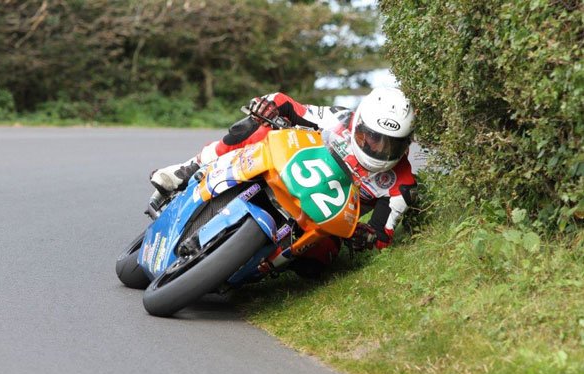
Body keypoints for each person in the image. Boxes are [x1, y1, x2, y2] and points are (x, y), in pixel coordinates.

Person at [150, 87, 418, 274]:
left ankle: (259, 266)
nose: (378, 148)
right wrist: (265, 106)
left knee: (316, 265)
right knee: (256, 126)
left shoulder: (401, 186)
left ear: (405, 145)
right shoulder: (338, 120)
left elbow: (383, 236)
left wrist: (366, 237)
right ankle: (187, 169)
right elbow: (285, 103)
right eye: (371, 136)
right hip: (289, 173)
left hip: (320, 221)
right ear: (358, 122)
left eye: (390, 145)